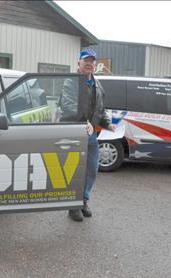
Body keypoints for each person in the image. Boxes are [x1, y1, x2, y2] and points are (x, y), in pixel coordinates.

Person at [60, 47, 115, 221]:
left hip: (91, 134)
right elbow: (68, 105)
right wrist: (85, 122)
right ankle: (72, 206)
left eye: (92, 61)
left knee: (91, 169)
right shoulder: (71, 82)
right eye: (86, 61)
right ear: (79, 63)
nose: (89, 64)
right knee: (74, 170)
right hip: (75, 132)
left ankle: (83, 200)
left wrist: (107, 123)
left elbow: (100, 108)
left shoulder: (97, 83)